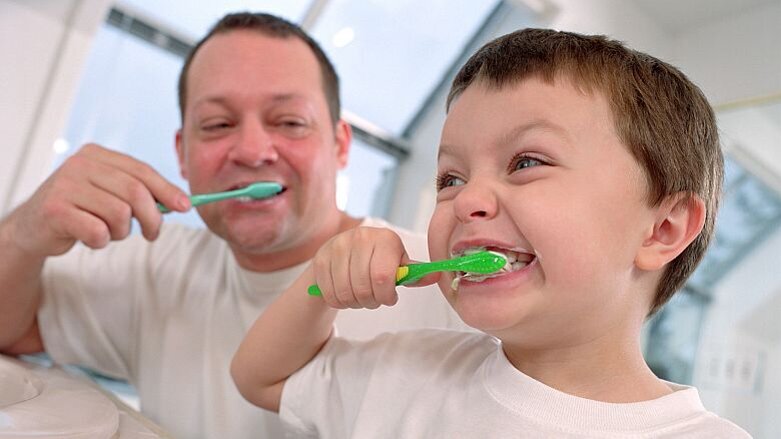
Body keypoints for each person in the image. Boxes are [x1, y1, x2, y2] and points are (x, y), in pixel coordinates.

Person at [231, 28, 752, 437]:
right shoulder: (406, 372)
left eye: (526, 162)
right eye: (450, 179)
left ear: (662, 228)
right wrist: (321, 285)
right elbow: (261, 378)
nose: (468, 201)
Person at [0, 12, 463, 439]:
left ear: (341, 145)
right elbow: (11, 329)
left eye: (288, 121)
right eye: (219, 124)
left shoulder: (443, 284)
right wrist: (24, 232)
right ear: (182, 153)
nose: (252, 149)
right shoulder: (155, 271)